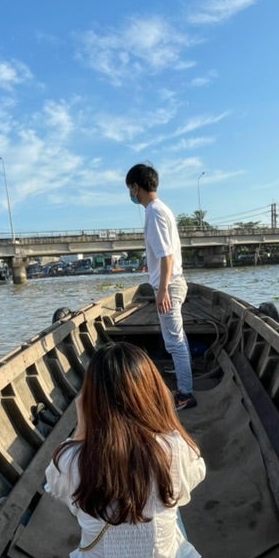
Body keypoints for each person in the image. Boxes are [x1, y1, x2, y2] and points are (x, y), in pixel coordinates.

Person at [44, 342, 206, 558]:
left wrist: (81, 428)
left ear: (89, 400)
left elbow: (56, 489)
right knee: (174, 503)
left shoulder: (68, 459)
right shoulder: (177, 448)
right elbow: (195, 477)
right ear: (154, 394)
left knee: (85, 505)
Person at [125, 163, 196, 410]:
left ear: (136, 187)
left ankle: (185, 394)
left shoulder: (153, 212)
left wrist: (163, 289)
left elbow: (166, 256)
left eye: (130, 189)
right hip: (175, 281)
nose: (131, 194)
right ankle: (185, 385)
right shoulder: (162, 209)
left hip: (170, 284)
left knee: (174, 342)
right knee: (178, 339)